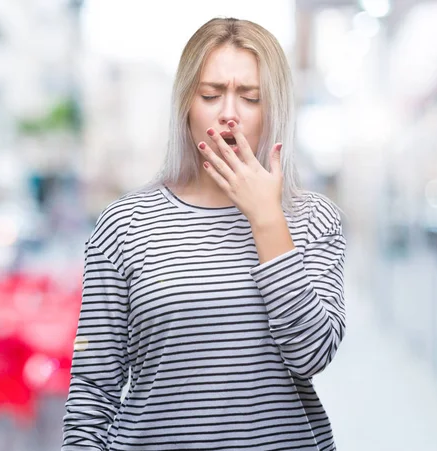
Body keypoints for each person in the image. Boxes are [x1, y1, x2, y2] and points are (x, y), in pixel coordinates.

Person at [62, 17, 346, 451]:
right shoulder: (124, 224)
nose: (228, 113)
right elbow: (93, 388)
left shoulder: (313, 218)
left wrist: (267, 218)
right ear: (186, 106)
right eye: (211, 95)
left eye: (250, 98)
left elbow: (311, 354)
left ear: (274, 109)